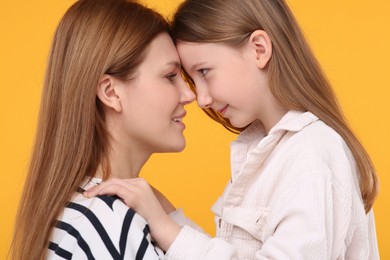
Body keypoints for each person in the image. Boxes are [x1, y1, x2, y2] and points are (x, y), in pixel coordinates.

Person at [84, 0, 380, 259]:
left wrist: (168, 229)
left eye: (204, 72)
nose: (201, 98)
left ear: (259, 49)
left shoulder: (312, 153)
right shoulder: (265, 151)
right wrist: (167, 214)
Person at [9, 0, 196, 259]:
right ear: (110, 92)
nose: (189, 94)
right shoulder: (111, 223)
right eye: (169, 76)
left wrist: (170, 217)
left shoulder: (91, 211)